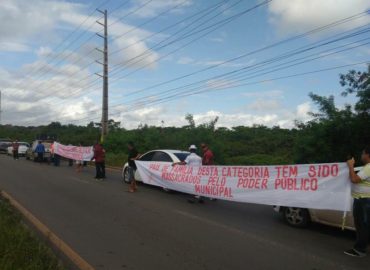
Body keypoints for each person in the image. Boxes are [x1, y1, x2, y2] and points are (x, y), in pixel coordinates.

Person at [344, 147, 370, 257]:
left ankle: (360, 250)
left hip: (363, 200)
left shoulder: (368, 167)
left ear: (367, 155)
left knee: (362, 226)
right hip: (364, 199)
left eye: (362, 153)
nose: (361, 156)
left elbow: (354, 179)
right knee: (365, 225)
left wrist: (350, 166)